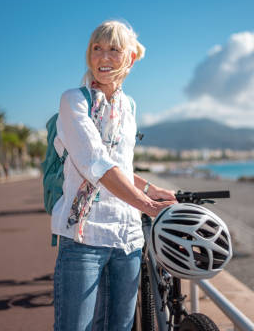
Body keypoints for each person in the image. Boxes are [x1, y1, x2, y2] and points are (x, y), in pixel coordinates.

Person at [51, 20, 176, 331]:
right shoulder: (73, 100)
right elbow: (96, 164)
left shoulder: (129, 107)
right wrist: (148, 205)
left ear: (129, 59)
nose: (103, 58)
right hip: (84, 238)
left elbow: (119, 166)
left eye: (113, 50)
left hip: (128, 238)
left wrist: (152, 189)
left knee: (119, 327)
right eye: (97, 48)